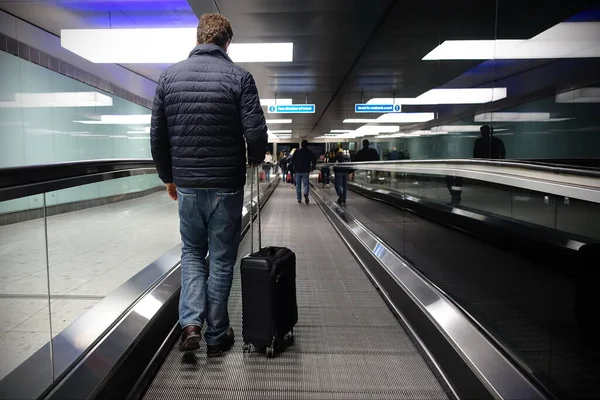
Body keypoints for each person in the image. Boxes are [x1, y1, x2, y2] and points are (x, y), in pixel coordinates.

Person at [150, 13, 267, 357]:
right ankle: (216, 334)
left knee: (191, 252)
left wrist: (167, 176)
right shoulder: (239, 77)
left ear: (199, 37)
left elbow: (158, 136)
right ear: (226, 42)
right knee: (220, 259)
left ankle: (190, 325)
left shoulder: (168, 78)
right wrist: (255, 158)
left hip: (186, 184)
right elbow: (256, 132)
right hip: (227, 185)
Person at [292, 139, 317, 204]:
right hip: (305, 170)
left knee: (298, 185)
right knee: (306, 184)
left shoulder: (297, 151)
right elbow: (314, 159)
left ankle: (299, 199)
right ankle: (305, 193)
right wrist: (313, 166)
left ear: (301, 144)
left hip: (298, 171)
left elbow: (293, 160)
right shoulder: (308, 152)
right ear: (307, 145)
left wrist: (295, 167)